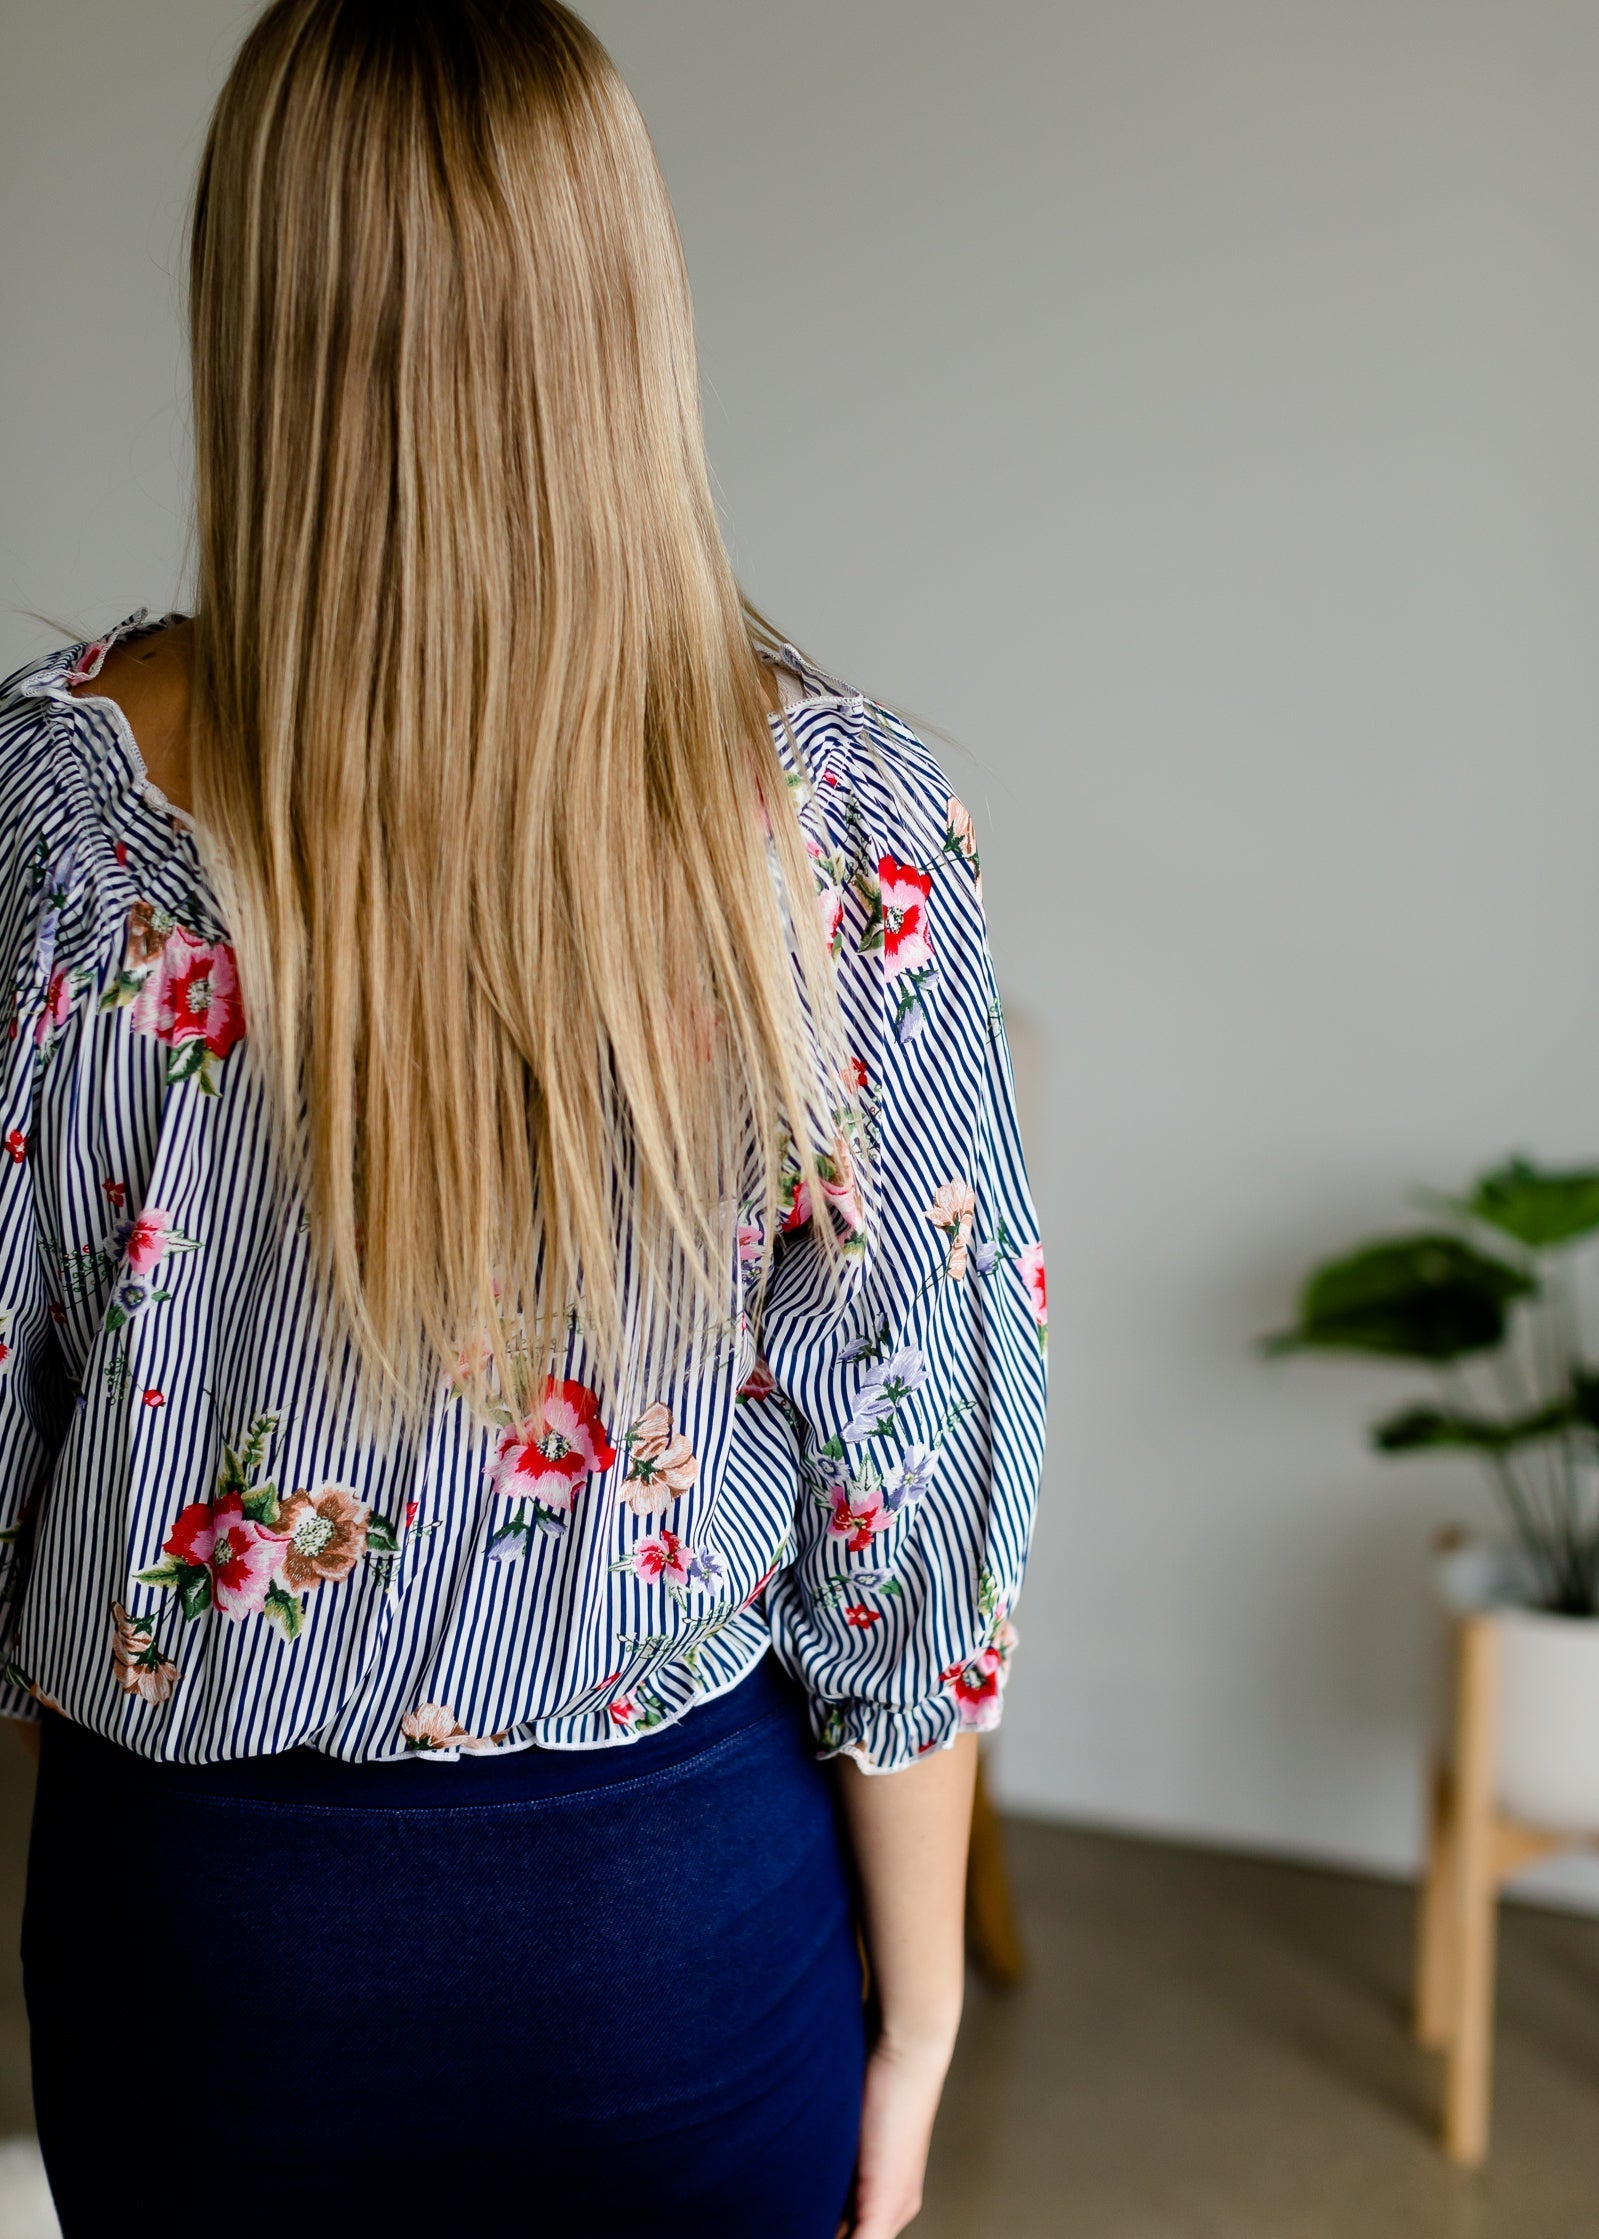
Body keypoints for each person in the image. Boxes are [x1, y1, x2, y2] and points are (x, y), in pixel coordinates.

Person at [0, 5, 1046, 2234]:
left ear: (240, 307)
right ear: (620, 316)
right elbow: (909, 1515)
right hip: (676, 1938)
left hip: (201, 1942)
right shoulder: (840, 836)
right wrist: (924, 2010)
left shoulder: (52, 828)